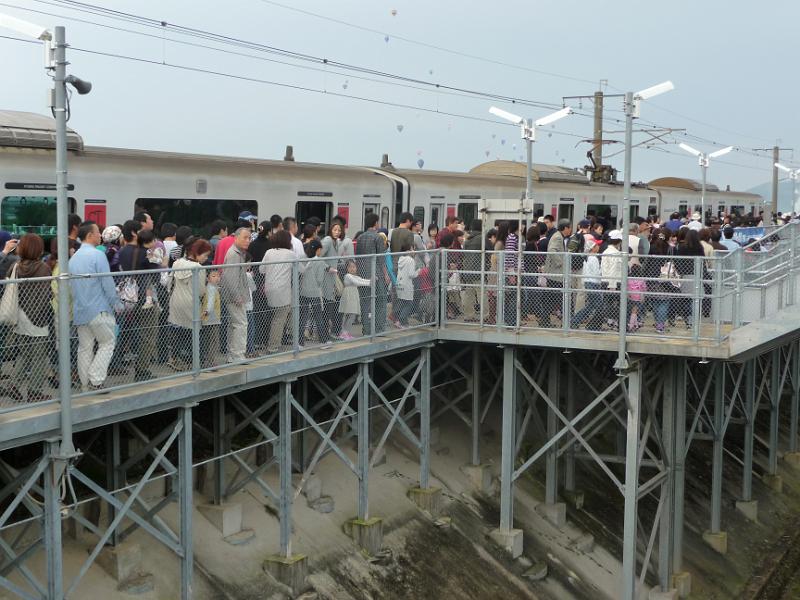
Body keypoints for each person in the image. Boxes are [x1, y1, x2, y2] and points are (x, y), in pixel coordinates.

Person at [69, 223, 120, 390]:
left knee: (85, 348)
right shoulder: (98, 256)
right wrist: (116, 303)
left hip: (80, 309)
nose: (101, 236)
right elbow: (107, 283)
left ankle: (85, 384)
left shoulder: (74, 258)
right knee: (107, 342)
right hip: (99, 308)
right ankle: (96, 380)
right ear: (90, 235)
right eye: (98, 233)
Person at [3, 234, 52, 402]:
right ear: (38, 248)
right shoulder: (44, 268)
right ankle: (35, 391)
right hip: (38, 319)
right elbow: (46, 295)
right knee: (39, 356)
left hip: (20, 316)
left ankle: (13, 385)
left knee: (23, 354)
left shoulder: (15, 266)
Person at [119, 227, 162, 380]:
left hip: (129, 299)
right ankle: (142, 371)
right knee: (148, 336)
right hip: (146, 300)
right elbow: (156, 278)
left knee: (133, 334)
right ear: (151, 241)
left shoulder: (124, 251)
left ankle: (136, 368)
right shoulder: (148, 255)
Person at [166, 239, 212, 370]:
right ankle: (194, 362)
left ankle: (174, 359)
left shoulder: (177, 263)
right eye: (205, 255)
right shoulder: (198, 268)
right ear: (197, 253)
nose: (206, 258)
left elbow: (169, 282)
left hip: (176, 300)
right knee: (194, 333)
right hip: (191, 302)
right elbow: (201, 291)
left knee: (177, 332)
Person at [261, 230, 295, 353]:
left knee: (276, 317)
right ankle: (273, 346)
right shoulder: (290, 254)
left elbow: (261, 270)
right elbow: (300, 269)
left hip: (269, 289)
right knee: (279, 319)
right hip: (283, 290)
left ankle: (275, 342)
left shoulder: (269, 252)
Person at [221, 227, 251, 362]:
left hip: (234, 295)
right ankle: (237, 355)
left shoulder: (237, 253)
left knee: (234, 324)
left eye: (249, 238)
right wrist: (237, 296)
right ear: (236, 237)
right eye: (245, 237)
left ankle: (232, 355)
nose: (248, 240)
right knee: (241, 324)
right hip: (235, 297)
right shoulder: (234, 254)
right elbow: (230, 277)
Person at [355, 213, 388, 334]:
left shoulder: (360, 238)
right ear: (375, 223)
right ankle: (378, 328)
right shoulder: (378, 237)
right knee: (380, 300)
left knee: (365, 302)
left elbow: (358, 257)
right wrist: (386, 274)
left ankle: (366, 329)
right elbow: (381, 259)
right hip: (376, 273)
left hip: (362, 273)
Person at [321, 221, 353, 336]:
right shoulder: (328, 240)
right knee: (327, 306)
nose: (337, 232)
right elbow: (318, 256)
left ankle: (331, 332)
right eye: (335, 230)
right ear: (330, 230)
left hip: (332, 277)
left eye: (339, 230)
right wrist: (327, 267)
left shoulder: (335, 242)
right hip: (326, 277)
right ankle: (326, 334)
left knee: (333, 304)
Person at [299, 239, 329, 345]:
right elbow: (320, 279)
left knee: (303, 317)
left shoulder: (305, 259)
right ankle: (323, 341)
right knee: (318, 317)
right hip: (315, 292)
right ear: (318, 250)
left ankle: (299, 343)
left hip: (303, 291)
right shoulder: (319, 261)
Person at [572, 236, 603, 330]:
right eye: (597, 245)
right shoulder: (593, 258)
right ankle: (593, 325)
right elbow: (597, 273)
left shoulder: (588, 257)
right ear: (592, 248)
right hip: (593, 283)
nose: (598, 247)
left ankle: (575, 321)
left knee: (591, 305)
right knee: (598, 305)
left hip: (588, 283)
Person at [338, 260, 371, 340]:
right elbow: (357, 282)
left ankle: (346, 332)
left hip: (353, 296)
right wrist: (370, 283)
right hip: (349, 296)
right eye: (350, 267)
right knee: (350, 314)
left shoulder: (354, 276)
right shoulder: (348, 276)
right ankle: (344, 332)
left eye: (354, 266)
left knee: (352, 314)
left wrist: (370, 281)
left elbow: (361, 280)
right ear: (347, 268)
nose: (352, 268)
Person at [461, 219, 483, 321]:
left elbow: (464, 254)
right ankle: (485, 316)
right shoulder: (482, 238)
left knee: (468, 294)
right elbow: (491, 249)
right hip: (479, 270)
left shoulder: (467, 239)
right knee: (481, 293)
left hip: (467, 270)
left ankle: (468, 315)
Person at [394, 242, 420, 327]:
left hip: (399, 283)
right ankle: (401, 321)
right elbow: (411, 274)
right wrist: (418, 271)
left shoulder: (400, 258)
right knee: (409, 303)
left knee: (402, 302)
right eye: (412, 249)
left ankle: (401, 322)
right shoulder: (410, 260)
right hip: (407, 284)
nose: (413, 251)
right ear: (408, 250)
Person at [601, 230, 623, 328]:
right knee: (616, 303)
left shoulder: (607, 251)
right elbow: (613, 270)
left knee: (609, 302)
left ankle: (610, 321)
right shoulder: (615, 253)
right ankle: (614, 321)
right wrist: (612, 285)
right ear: (618, 241)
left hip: (606, 280)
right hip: (614, 282)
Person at [201, 269, 222, 368]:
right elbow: (210, 302)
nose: (217, 278)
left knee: (210, 341)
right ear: (208, 279)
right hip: (211, 319)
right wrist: (207, 311)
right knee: (213, 341)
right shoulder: (211, 289)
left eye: (218, 276)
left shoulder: (213, 288)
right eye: (213, 276)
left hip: (210, 319)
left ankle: (209, 361)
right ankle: (210, 361)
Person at [627, 263, 646, 332]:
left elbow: (627, 286)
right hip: (638, 297)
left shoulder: (629, 278)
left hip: (630, 296)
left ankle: (635, 324)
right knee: (635, 312)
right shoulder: (641, 279)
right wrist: (643, 297)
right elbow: (644, 288)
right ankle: (631, 325)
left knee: (632, 311)